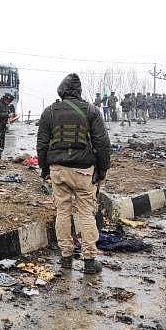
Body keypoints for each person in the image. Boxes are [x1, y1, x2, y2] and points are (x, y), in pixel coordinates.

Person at [37, 73, 111, 274]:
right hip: (83, 171)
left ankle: (66, 258)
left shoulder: (49, 112)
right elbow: (102, 144)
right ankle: (89, 260)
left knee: (62, 212)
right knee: (86, 213)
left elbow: (42, 145)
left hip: (58, 170)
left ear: (61, 92)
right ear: (79, 92)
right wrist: (102, 170)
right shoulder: (91, 111)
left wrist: (44, 169)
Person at [0, 93, 15, 162]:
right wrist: (8, 115)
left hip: (2, 126)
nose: (8, 102)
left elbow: (7, 115)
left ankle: (0, 157)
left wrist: (11, 118)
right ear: (5, 98)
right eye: (8, 101)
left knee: (1, 142)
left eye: (10, 101)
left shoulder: (6, 105)